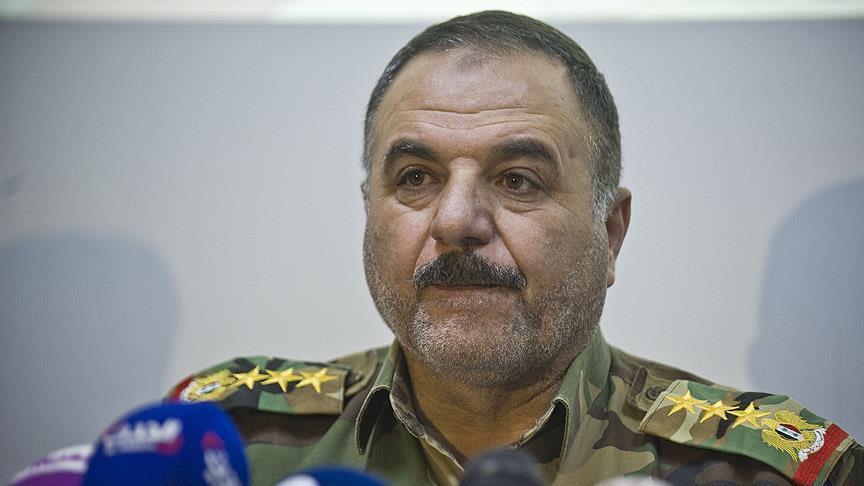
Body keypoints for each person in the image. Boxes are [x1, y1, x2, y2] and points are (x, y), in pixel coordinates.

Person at [168, 11, 862, 485]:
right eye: (416, 178)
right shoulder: (221, 447)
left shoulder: (759, 473)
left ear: (610, 232)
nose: (456, 221)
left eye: (518, 179)